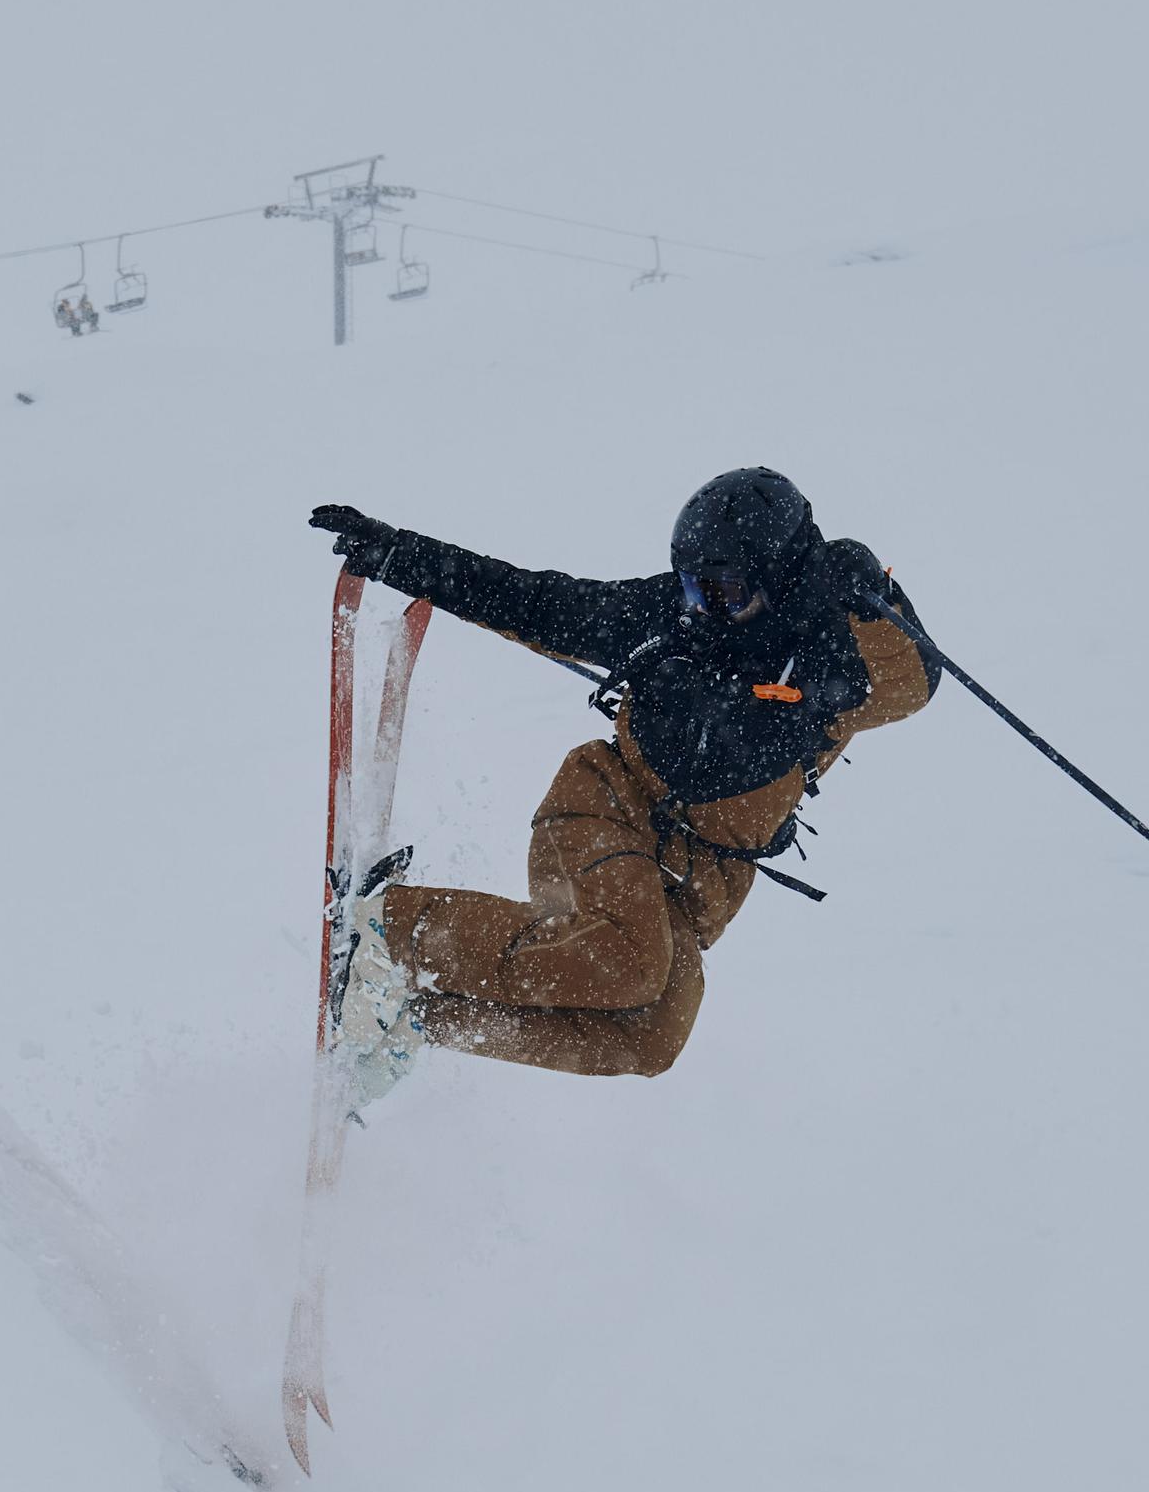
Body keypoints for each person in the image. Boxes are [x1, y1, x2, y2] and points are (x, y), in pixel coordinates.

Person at [307, 464, 935, 1086]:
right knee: (628, 960)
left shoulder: (834, 662)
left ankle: (415, 1017)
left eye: (723, 592)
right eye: (692, 587)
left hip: (688, 876)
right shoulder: (669, 620)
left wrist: (873, 601)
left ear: (783, 579)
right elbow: (536, 601)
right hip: (603, 810)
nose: (702, 608)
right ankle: (390, 927)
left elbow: (915, 679)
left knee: (652, 1034)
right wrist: (400, 555)